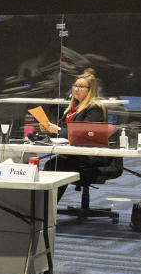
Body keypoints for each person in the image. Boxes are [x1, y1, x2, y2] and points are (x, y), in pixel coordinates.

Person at [41, 69, 119, 199]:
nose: (76, 89)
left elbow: (83, 134)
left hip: (91, 158)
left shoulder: (94, 109)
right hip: (75, 154)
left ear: (90, 90)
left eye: (81, 86)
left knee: (57, 166)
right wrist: (50, 130)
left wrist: (58, 130)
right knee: (53, 164)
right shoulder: (72, 108)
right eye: (75, 85)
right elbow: (64, 132)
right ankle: (46, 207)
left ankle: (48, 208)